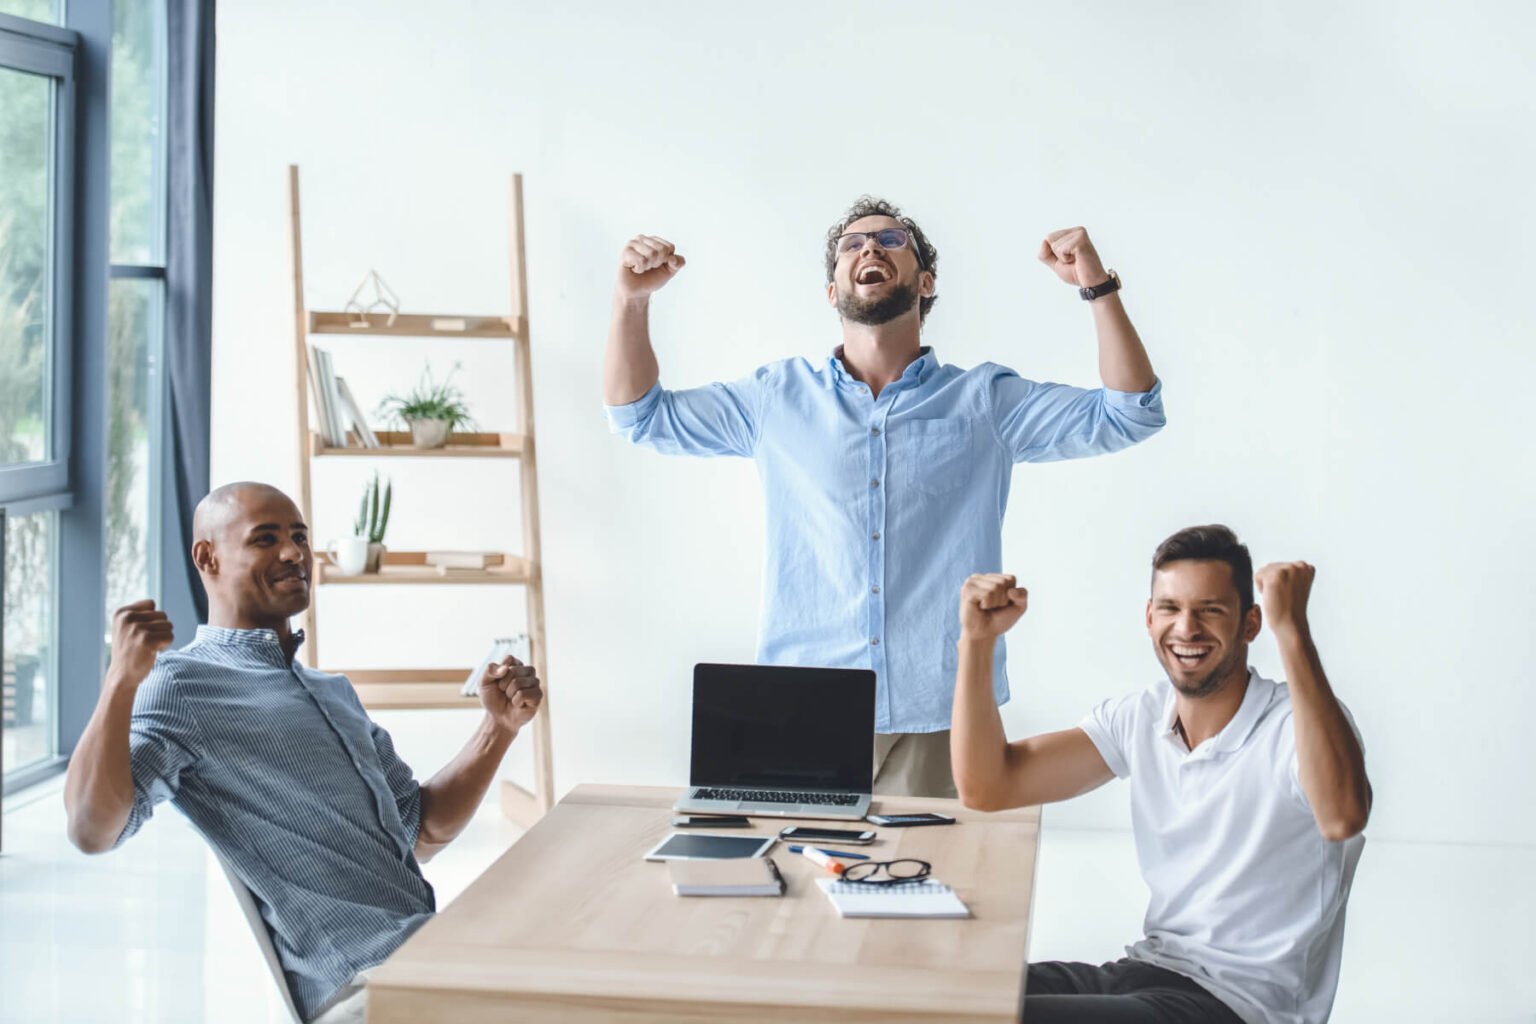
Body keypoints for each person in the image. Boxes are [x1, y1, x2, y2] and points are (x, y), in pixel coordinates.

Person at [605, 197, 1165, 797]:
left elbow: (1131, 412)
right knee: (791, 861)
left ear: (926, 283)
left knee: (935, 860)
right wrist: (631, 301)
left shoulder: (985, 402)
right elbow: (639, 416)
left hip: (942, 712)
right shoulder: (775, 399)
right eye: (852, 244)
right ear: (832, 292)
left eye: (891, 240)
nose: (869, 247)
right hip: (802, 706)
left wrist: (1096, 288)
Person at [63, 482, 543, 1024]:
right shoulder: (183, 685)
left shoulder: (333, 692)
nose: (293, 553)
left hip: (427, 958)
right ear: (207, 557)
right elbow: (91, 829)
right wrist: (120, 683)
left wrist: (498, 728)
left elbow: (421, 829)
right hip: (366, 988)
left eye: (299, 537)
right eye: (265, 539)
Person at [951, 525, 1371, 1024]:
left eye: (1210, 610)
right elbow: (988, 786)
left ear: (1251, 623)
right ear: (1150, 618)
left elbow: (1342, 817)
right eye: (1171, 608)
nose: (1187, 629)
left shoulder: (1297, 724)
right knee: (948, 994)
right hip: (1148, 971)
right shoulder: (1141, 716)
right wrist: (977, 641)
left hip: (1238, 1007)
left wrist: (1293, 630)